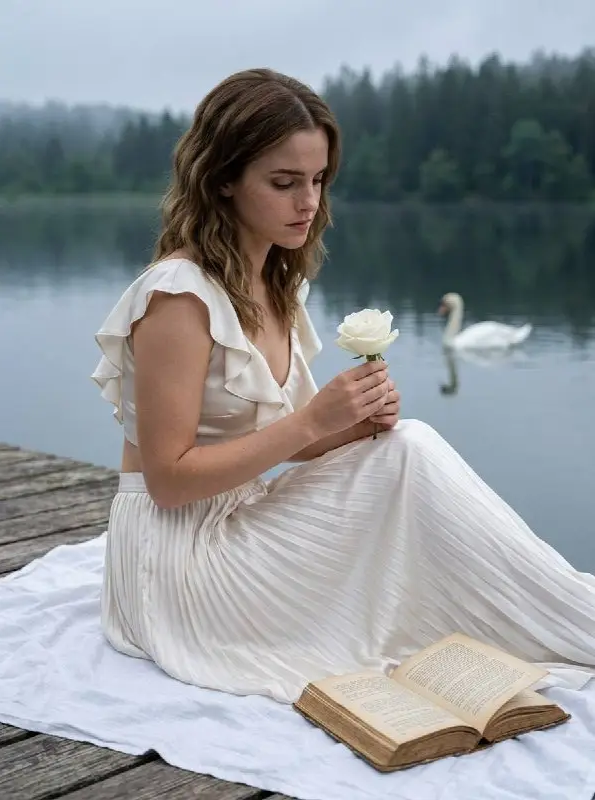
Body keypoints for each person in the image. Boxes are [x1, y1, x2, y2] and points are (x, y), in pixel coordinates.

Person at [92, 68, 595, 704]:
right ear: (222, 179)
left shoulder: (273, 282)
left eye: (318, 179)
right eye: (284, 183)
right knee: (409, 467)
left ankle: (562, 605)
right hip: (175, 560)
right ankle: (570, 615)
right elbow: (168, 479)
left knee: (403, 445)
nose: (308, 202)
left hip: (238, 518)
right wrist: (310, 421)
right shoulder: (178, 298)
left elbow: (285, 443)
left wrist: (350, 423)